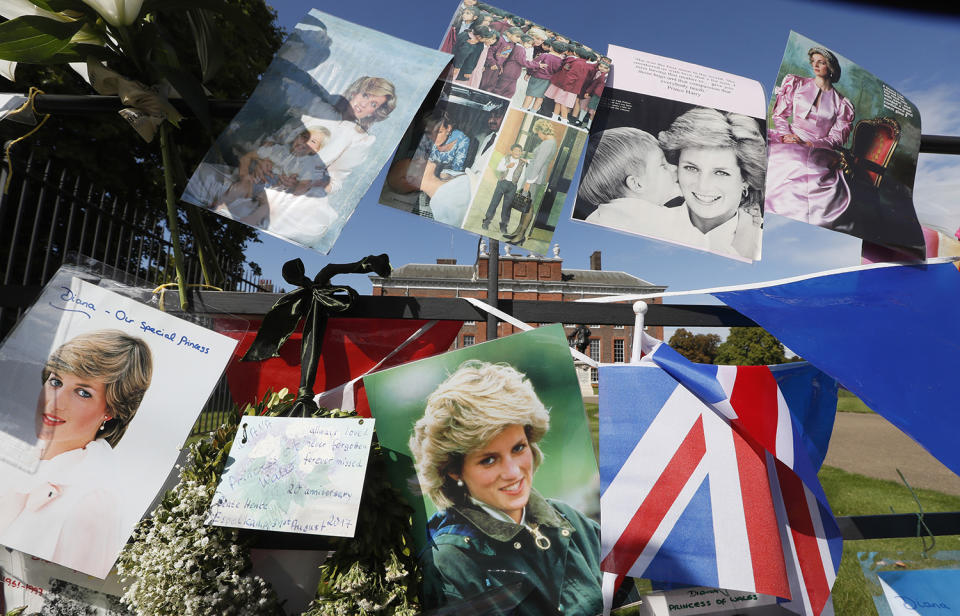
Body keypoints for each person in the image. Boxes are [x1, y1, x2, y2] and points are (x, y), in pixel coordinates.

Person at [409, 361, 602, 615]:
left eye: (518, 448)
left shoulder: (575, 523)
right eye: (488, 459)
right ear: (454, 469)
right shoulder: (446, 563)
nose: (513, 472)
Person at [0, 330, 152, 574]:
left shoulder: (93, 503)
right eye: (56, 381)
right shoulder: (12, 452)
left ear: (110, 410)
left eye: (83, 392)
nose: (55, 401)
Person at [251, 76, 398, 246]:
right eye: (365, 95)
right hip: (264, 170)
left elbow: (335, 182)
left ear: (374, 113)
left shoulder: (359, 139)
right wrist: (262, 161)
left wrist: (309, 183)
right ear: (355, 91)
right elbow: (274, 140)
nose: (365, 105)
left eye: (374, 104)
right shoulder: (317, 107)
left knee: (309, 226)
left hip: (299, 190)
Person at [659, 107, 766, 260]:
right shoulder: (647, 222)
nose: (703, 186)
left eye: (721, 173)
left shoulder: (764, 247)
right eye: (691, 168)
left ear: (746, 179)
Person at [766, 46, 855, 228]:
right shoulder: (796, 84)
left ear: (830, 68)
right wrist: (786, 135)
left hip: (819, 147)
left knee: (801, 162)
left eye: (820, 62)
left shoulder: (842, 104)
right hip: (789, 137)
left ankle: (795, 219)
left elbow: (836, 137)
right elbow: (779, 116)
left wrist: (810, 143)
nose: (815, 65)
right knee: (773, 154)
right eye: (813, 61)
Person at [576, 127, 684, 237]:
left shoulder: (598, 218)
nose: (674, 168)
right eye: (663, 166)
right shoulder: (656, 221)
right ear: (636, 184)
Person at [213, 125, 331, 220]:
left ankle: (248, 221)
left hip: (274, 192)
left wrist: (292, 195)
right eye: (304, 136)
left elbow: (303, 185)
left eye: (313, 141)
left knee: (268, 207)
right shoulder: (277, 149)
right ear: (297, 137)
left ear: (316, 150)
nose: (305, 142)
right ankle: (219, 205)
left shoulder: (308, 165)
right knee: (239, 188)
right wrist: (245, 177)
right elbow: (247, 157)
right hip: (257, 180)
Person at [482, 143, 527, 235]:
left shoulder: (522, 163)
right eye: (515, 150)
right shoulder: (506, 158)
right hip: (502, 183)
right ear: (511, 151)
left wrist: (517, 187)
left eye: (519, 151)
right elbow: (499, 168)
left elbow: (522, 177)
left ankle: (503, 226)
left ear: (521, 153)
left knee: (507, 207)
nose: (517, 152)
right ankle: (486, 222)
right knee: (494, 203)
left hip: (512, 186)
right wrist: (507, 166)